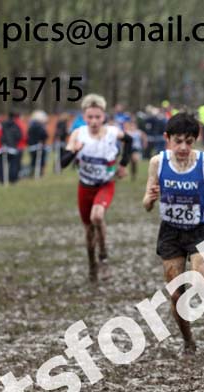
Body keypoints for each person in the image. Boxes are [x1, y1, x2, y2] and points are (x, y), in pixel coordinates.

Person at [142, 113, 204, 354]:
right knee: (175, 296)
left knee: (201, 282)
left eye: (189, 141)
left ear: (195, 140)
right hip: (170, 232)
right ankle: (188, 340)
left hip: (198, 230)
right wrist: (150, 199)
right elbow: (146, 204)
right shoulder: (157, 162)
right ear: (167, 138)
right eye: (178, 141)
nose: (183, 147)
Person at [62, 94, 134, 282]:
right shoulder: (78, 134)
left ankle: (103, 257)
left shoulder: (112, 132)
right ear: (84, 117)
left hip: (105, 184)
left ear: (104, 117)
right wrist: (74, 151)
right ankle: (92, 264)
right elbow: (62, 163)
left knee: (97, 216)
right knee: (88, 231)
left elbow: (130, 141)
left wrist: (123, 164)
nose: (94, 121)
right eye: (90, 117)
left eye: (97, 117)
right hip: (85, 187)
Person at [1, 112, 23, 183]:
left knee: (4, 164)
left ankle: (3, 179)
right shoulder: (15, 125)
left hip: (4, 147)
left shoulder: (3, 125)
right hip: (13, 147)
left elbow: (0, 135)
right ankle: (13, 179)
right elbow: (19, 136)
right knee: (13, 164)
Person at [27, 110, 49, 178]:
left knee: (33, 160)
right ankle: (39, 173)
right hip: (39, 146)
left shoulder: (31, 126)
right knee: (41, 160)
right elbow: (44, 135)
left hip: (32, 145)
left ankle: (33, 172)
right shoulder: (40, 126)